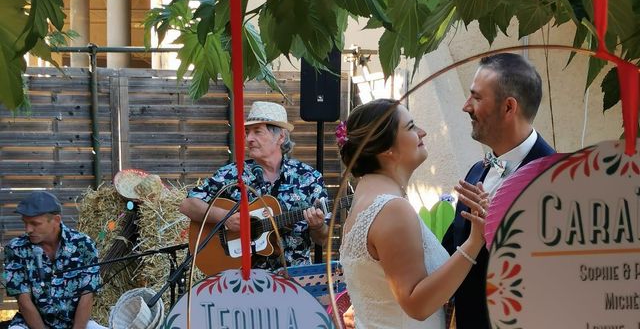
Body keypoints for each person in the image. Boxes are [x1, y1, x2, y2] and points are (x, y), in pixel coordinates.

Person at [339, 98, 488, 328]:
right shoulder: (392, 209)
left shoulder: (365, 197)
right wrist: (475, 240)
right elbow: (417, 305)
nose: (422, 132)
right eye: (410, 127)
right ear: (385, 148)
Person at [442, 52, 555, 329]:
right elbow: (450, 249)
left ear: (508, 107)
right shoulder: (475, 171)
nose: (466, 106)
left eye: (477, 98)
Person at [179, 101, 330, 270]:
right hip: (241, 281)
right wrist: (224, 217)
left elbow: (323, 239)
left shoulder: (309, 178)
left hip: (293, 280)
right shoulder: (232, 174)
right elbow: (187, 205)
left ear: (281, 137)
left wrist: (317, 225)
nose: (249, 138)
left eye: (257, 132)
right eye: (247, 132)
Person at [2, 191, 105, 329]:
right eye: (25, 223)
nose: (28, 229)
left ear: (56, 220)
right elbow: (23, 300)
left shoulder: (83, 244)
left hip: (76, 324)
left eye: (35, 223)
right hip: (31, 325)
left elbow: (87, 295)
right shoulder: (15, 249)